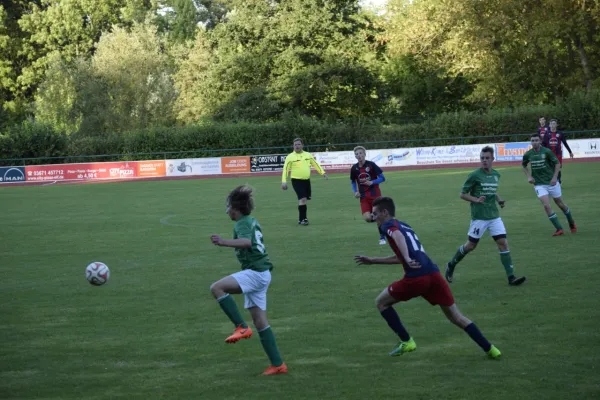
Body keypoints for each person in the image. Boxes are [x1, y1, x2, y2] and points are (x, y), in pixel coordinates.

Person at [354, 197, 502, 359]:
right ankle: (491, 350)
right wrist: (374, 260)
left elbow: (398, 238)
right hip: (433, 274)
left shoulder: (388, 226)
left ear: (385, 212)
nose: (373, 218)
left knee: (381, 302)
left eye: (375, 214)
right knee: (456, 317)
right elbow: (402, 256)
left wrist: (407, 258)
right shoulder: (405, 225)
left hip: (416, 278)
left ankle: (407, 341)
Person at [209, 185, 287, 376]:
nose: (227, 210)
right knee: (260, 321)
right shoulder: (251, 220)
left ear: (235, 208)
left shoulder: (242, 223)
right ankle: (278, 365)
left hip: (256, 272)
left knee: (217, 288)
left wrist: (223, 241)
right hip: (262, 273)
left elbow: (246, 242)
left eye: (228, 207)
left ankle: (241, 327)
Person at [444, 146, 526, 286]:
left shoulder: (496, 174)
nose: (484, 161)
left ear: (492, 159)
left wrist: (498, 200)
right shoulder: (474, 175)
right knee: (470, 246)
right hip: (479, 217)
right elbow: (462, 194)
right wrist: (476, 200)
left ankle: (511, 277)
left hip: (494, 216)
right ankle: (451, 264)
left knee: (503, 243)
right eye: (482, 158)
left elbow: (492, 191)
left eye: (487, 158)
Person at [522, 133, 577, 236]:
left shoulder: (547, 152)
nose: (534, 142)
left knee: (560, 204)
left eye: (536, 140)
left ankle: (571, 222)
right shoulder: (528, 154)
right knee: (546, 206)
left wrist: (555, 177)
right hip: (539, 184)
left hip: (552, 182)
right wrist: (529, 176)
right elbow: (524, 165)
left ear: (540, 141)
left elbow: (557, 164)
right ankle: (559, 229)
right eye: (532, 140)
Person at [281, 138, 328, 225]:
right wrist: (284, 181)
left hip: (306, 181)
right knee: (302, 199)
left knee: (304, 200)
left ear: (302, 145)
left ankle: (300, 219)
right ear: (293, 146)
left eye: (299, 144)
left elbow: (315, 164)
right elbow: (285, 169)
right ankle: (304, 219)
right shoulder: (290, 157)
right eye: (295, 145)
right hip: (296, 180)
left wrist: (323, 173)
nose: (297, 146)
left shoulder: (308, 155)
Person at [350, 146, 387, 245]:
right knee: (367, 218)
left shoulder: (371, 165)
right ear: (355, 156)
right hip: (363, 197)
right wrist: (355, 191)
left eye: (361, 153)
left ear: (364, 154)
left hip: (375, 195)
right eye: (357, 154)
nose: (359, 155)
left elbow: (383, 178)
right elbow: (353, 181)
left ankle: (382, 237)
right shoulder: (354, 168)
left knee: (377, 215)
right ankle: (383, 221)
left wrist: (373, 182)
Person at [542, 119, 574, 183]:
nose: (553, 125)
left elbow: (565, 143)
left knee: (558, 168)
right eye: (551, 124)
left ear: (556, 125)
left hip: (558, 154)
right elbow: (543, 144)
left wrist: (570, 152)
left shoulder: (560, 133)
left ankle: (558, 181)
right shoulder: (547, 133)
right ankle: (551, 180)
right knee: (550, 168)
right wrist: (542, 153)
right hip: (549, 154)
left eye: (554, 123)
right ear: (549, 125)